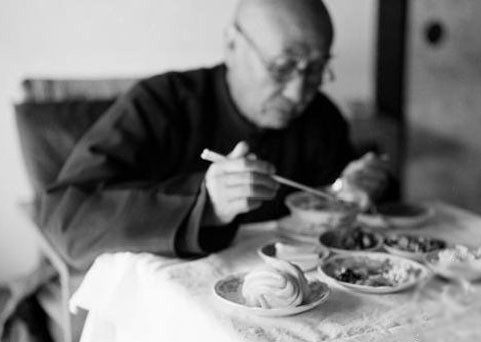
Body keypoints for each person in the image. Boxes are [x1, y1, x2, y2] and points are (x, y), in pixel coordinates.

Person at [40, 0, 393, 272]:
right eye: (282, 67)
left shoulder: (321, 116)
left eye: (315, 70)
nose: (298, 92)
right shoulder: (162, 103)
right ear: (232, 44)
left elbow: (346, 208)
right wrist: (205, 204)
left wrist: (354, 188)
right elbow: (66, 217)